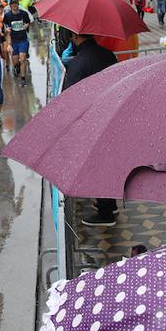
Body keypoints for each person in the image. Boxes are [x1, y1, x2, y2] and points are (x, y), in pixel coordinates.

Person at [60, 33, 119, 227]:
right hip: (112, 115)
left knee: (98, 164)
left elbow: (70, 97)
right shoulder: (108, 54)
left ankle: (105, 212)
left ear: (76, 37)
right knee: (109, 162)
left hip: (92, 122)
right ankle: (110, 202)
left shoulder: (79, 62)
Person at [3, 0, 33, 87]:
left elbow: (28, 22)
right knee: (16, 61)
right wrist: (8, 44)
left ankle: (23, 78)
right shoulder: (7, 15)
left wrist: (26, 25)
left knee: (23, 58)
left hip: (23, 39)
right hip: (13, 40)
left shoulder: (23, 14)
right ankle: (17, 66)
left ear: (18, 4)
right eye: (12, 4)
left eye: (16, 3)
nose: (14, 5)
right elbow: (6, 29)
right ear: (10, 6)